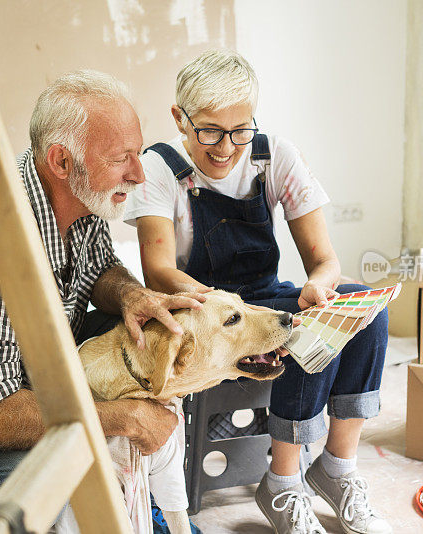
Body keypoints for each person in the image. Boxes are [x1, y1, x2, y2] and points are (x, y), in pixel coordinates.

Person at [0, 70, 206, 532]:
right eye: (122, 158)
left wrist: (129, 294)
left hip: (37, 375)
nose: (139, 174)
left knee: (150, 397)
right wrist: (124, 418)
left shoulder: (80, 195)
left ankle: (138, 504)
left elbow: (99, 265)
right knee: (80, 486)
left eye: (138, 153)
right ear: (61, 162)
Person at [123, 50, 392, 534]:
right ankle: (283, 483)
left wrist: (319, 287)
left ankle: (336, 468)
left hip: (261, 296)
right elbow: (158, 271)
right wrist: (224, 308)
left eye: (240, 130)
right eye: (209, 131)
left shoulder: (273, 156)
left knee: (361, 310)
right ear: (179, 119)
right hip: (202, 312)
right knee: (292, 333)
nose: (227, 147)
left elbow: (325, 261)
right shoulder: (160, 168)